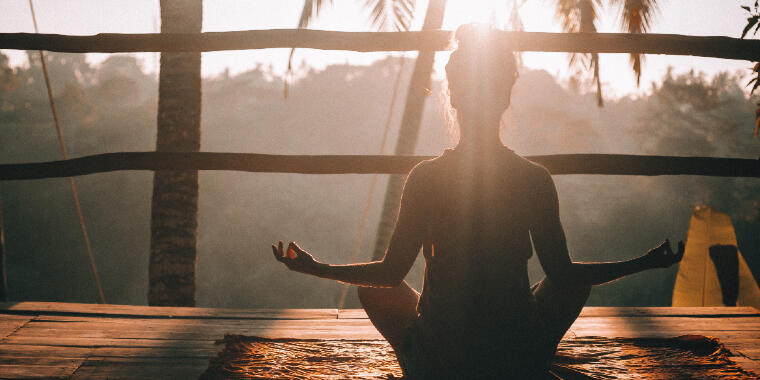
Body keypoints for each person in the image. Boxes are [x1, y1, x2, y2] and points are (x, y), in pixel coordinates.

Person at [271, 24, 685, 379]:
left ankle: (422, 368)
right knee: (569, 286)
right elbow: (563, 272)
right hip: (514, 354)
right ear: (506, 97)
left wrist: (316, 268)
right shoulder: (533, 178)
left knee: (375, 291)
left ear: (453, 96)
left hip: (443, 359)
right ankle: (531, 361)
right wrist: (645, 262)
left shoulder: (426, 177)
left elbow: (389, 272)